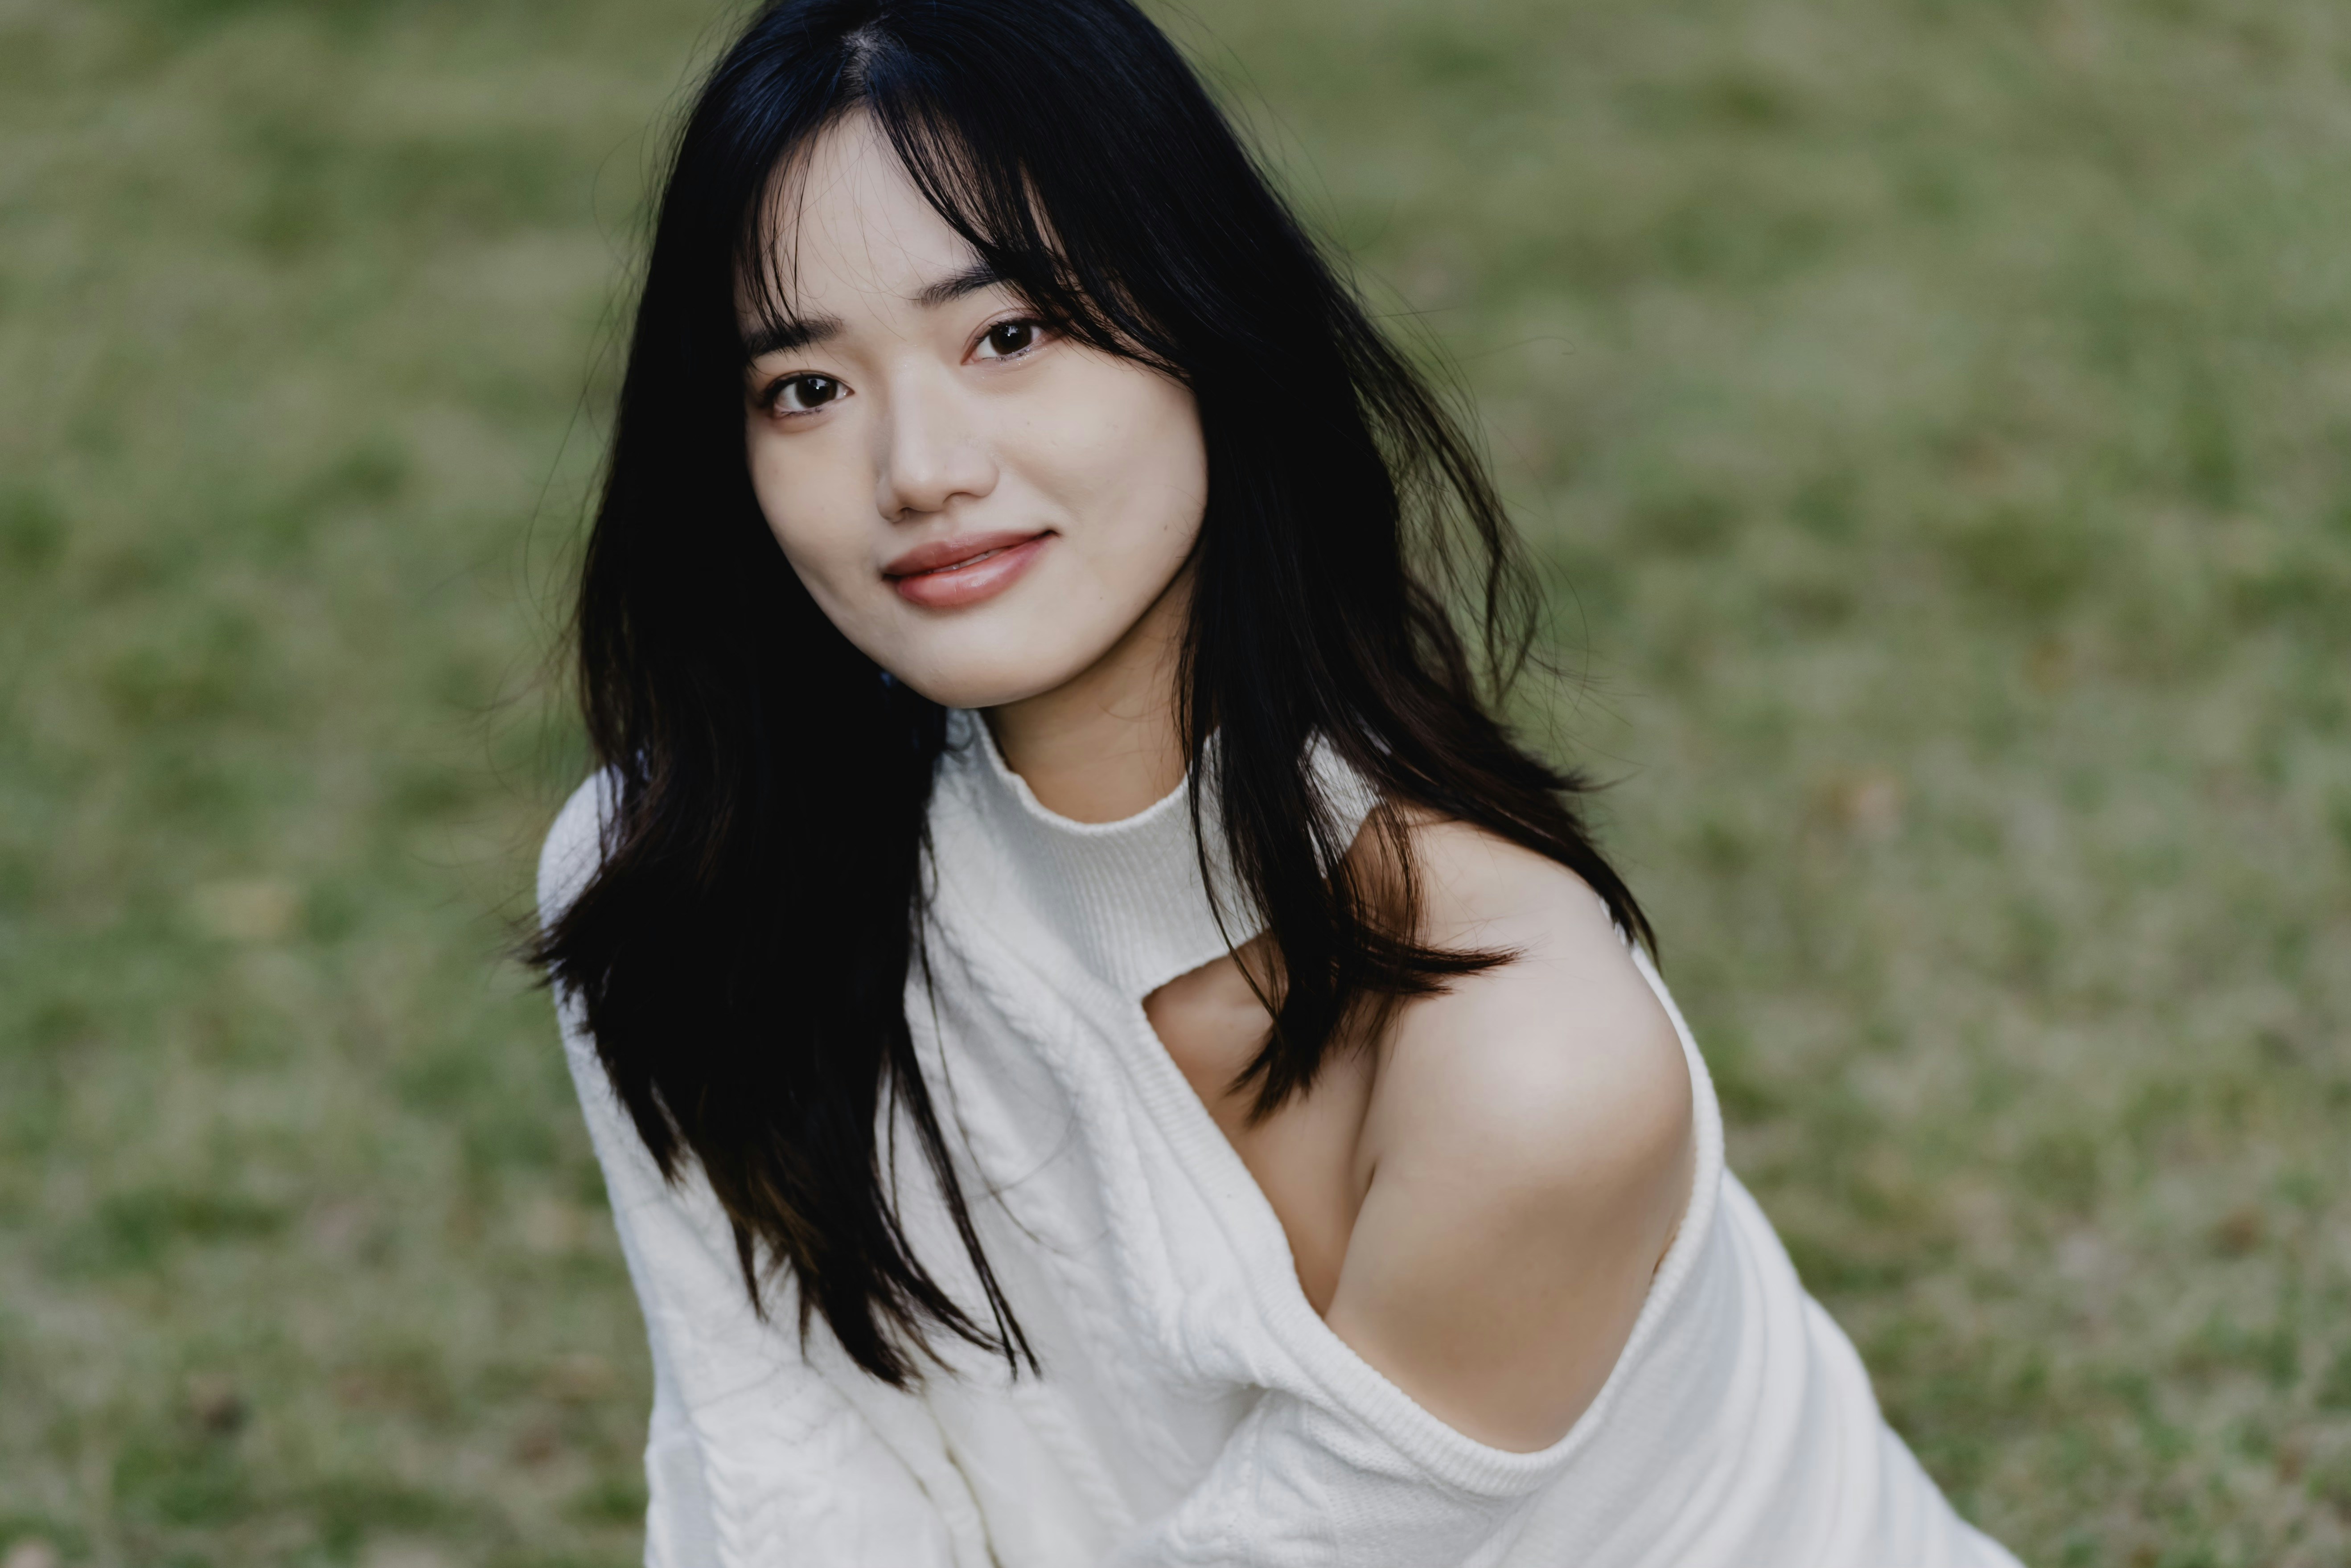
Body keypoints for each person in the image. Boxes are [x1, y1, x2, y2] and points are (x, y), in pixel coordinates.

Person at [531, 1, 2024, 1562]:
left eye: (1010, 334)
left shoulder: (1531, 1061)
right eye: (806, 389)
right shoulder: (686, 896)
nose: (916, 467)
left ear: (1203, 322)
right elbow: (781, 1477)